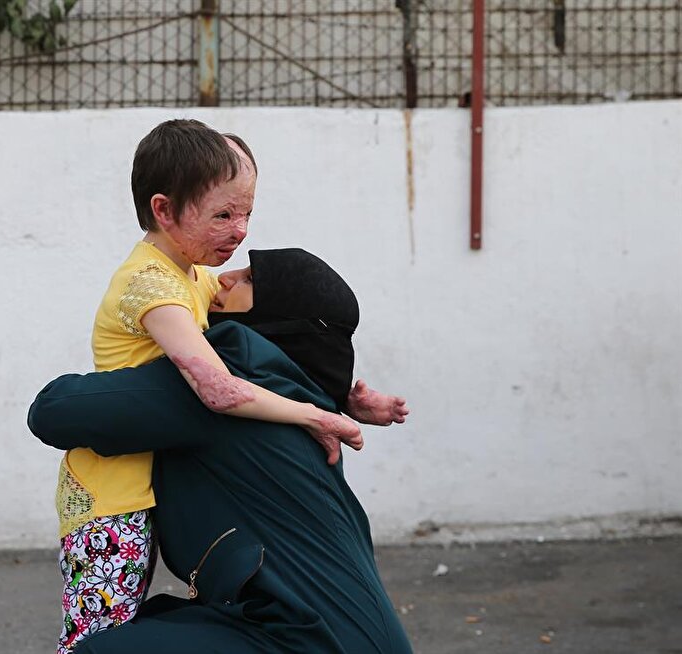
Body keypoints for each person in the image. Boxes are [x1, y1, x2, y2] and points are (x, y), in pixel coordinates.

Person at [55, 121, 363, 651]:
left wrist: (346, 396)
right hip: (113, 498)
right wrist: (312, 415)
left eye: (247, 213)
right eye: (223, 215)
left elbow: (273, 348)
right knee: (91, 642)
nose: (242, 230)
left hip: (151, 487)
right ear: (164, 211)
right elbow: (218, 389)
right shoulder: (152, 286)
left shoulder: (194, 274)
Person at [29, 248, 413, 653]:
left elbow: (54, 410)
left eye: (248, 280)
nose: (225, 279)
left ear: (278, 317)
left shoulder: (225, 379)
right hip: (340, 634)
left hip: (305, 639)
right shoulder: (297, 395)